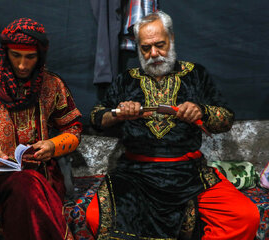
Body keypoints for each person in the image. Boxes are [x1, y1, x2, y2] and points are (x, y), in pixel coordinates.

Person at [87, 11, 260, 240]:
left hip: (188, 173)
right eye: (145, 48)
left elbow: (226, 118)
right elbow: (97, 117)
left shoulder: (196, 74)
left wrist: (202, 111)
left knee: (245, 216)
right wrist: (118, 113)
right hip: (137, 174)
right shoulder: (126, 79)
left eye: (160, 45)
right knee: (96, 217)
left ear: (172, 38)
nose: (154, 54)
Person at [0, 18, 82, 240]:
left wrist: (53, 145)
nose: (22, 65)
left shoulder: (52, 86)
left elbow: (74, 130)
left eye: (30, 57)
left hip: (43, 173)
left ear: (40, 56)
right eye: (16, 56)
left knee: (30, 183)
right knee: (26, 184)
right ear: (5, 53)